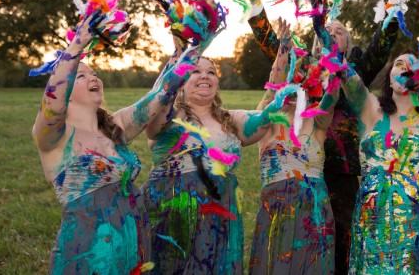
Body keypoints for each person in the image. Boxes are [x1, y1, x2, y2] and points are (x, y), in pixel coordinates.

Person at [242, 0, 398, 274]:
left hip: (341, 172)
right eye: (326, 30)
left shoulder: (356, 71)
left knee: (340, 247)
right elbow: (271, 45)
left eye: (339, 31)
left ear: (349, 45)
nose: (331, 33)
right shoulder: (304, 70)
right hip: (297, 170)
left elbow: (383, 42)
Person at [32, 14, 204, 274]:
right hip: (87, 253)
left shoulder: (115, 126)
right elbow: (53, 103)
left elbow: (162, 93)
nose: (94, 78)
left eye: (95, 74)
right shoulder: (53, 134)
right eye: (81, 76)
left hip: (133, 245)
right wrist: (76, 46)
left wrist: (195, 44)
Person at [142, 44, 272, 273]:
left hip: (219, 221)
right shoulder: (171, 115)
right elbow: (157, 102)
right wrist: (181, 50)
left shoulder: (230, 119)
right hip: (173, 218)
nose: (204, 75)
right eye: (195, 71)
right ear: (181, 79)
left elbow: (265, 117)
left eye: (211, 72)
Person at [341, 47, 419, 274]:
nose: (405, 69)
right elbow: (343, 72)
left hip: (413, 226)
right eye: (399, 64)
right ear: (389, 79)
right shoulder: (370, 109)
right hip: (371, 223)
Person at [248, 21, 341, 274]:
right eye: (291, 73)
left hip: (316, 213)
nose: (293, 81)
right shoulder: (267, 115)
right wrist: (284, 48)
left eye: (300, 74)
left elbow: (332, 96)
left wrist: (334, 62)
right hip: (277, 213)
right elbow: (275, 83)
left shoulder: (317, 119)